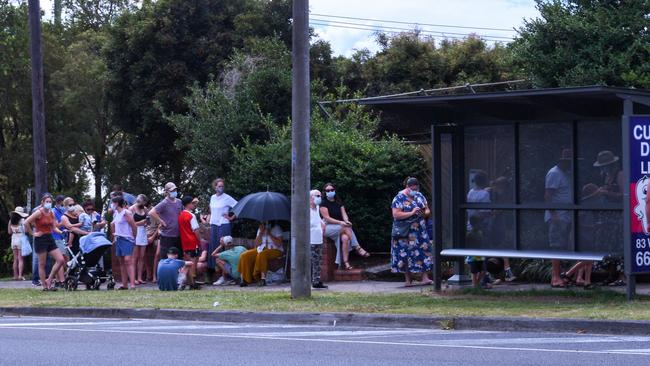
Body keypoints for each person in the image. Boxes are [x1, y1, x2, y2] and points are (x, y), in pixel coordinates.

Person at [390, 177, 433, 287]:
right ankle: (408, 280)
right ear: (407, 187)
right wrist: (412, 212)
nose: (414, 190)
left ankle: (425, 278)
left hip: (419, 232)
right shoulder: (398, 198)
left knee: (423, 252)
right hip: (405, 231)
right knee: (404, 253)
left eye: (416, 188)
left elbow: (427, 209)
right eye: (412, 188)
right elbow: (396, 214)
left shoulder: (419, 195)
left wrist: (425, 213)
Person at [320, 183, 370, 270]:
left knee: (345, 238)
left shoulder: (338, 202)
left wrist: (346, 221)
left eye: (332, 190)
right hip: (327, 227)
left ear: (334, 190)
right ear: (324, 192)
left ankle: (346, 263)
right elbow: (327, 218)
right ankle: (357, 247)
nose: (330, 192)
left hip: (339, 227)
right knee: (346, 227)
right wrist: (341, 223)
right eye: (328, 190)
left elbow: (344, 215)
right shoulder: (323, 203)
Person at [23, 193, 66, 291]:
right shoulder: (39, 212)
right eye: (47, 202)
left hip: (50, 238)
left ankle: (49, 279)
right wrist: (33, 234)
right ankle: (45, 287)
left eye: (50, 202)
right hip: (41, 239)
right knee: (42, 264)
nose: (48, 203)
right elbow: (26, 222)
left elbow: (54, 227)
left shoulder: (51, 212)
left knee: (60, 260)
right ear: (42, 203)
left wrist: (61, 231)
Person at [545, 149, 573, 288]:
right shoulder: (554, 173)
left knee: (562, 247)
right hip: (557, 217)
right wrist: (554, 215)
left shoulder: (565, 174)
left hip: (565, 216)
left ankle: (560, 275)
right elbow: (548, 195)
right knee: (556, 247)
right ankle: (555, 278)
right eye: (568, 161)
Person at [206, 178, 237, 281]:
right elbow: (211, 210)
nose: (221, 188)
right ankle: (217, 275)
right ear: (215, 187)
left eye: (222, 186)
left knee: (224, 248)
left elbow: (238, 206)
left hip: (224, 224)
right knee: (214, 248)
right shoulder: (212, 197)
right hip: (214, 225)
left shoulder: (227, 197)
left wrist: (231, 218)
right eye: (219, 186)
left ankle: (226, 275)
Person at [149, 182, 183, 259]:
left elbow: (182, 214)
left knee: (178, 258)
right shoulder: (164, 203)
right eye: (172, 191)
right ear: (167, 192)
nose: (174, 192)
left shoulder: (179, 202)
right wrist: (161, 221)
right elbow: (151, 212)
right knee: (166, 258)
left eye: (175, 190)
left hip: (178, 235)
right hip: (167, 235)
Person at [111, 196, 137, 290]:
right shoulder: (116, 214)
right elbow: (113, 224)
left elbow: (133, 225)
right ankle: (125, 284)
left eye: (113, 203)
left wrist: (134, 237)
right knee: (121, 262)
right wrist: (114, 236)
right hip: (119, 239)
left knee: (128, 260)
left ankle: (133, 284)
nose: (112, 205)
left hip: (127, 239)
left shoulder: (125, 213)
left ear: (117, 203)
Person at [179, 195, 201, 288]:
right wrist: (199, 241)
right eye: (192, 203)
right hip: (193, 242)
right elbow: (196, 230)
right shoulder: (191, 215)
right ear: (188, 204)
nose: (194, 205)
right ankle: (192, 283)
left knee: (187, 262)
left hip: (184, 242)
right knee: (193, 262)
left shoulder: (180, 215)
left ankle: (187, 281)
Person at [130, 194, 151, 285]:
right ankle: (133, 278)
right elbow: (129, 223)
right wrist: (140, 223)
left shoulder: (145, 209)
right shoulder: (131, 209)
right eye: (140, 202)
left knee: (142, 257)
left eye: (143, 203)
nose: (141, 204)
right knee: (134, 257)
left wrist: (146, 223)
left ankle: (139, 277)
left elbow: (148, 221)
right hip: (134, 232)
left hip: (143, 232)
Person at [310, 189, 327, 289]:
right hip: (310, 240)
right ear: (310, 198)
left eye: (320, 196)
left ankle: (316, 281)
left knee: (318, 261)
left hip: (318, 239)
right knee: (311, 261)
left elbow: (318, 219)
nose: (319, 198)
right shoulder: (306, 210)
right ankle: (310, 281)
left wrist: (322, 223)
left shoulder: (317, 207)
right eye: (317, 196)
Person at [9, 207, 29, 280]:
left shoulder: (10, 221)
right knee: (20, 259)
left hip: (14, 239)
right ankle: (20, 275)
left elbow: (9, 232)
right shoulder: (23, 221)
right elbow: (26, 231)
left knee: (15, 259)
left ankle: (15, 275)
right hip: (21, 238)